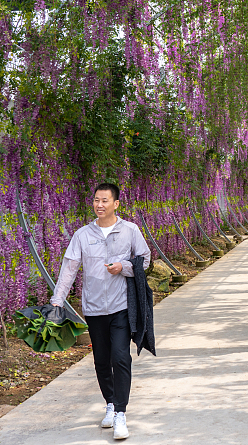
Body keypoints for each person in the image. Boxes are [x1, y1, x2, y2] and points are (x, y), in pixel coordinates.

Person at [52, 182, 152, 441]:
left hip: (121, 306)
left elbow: (146, 258)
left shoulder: (130, 230)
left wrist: (124, 266)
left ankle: (120, 413)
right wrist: (57, 299)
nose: (99, 204)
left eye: (105, 200)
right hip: (94, 308)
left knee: (121, 358)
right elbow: (70, 268)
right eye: (96, 200)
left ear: (116, 204)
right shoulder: (82, 235)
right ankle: (110, 402)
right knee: (101, 361)